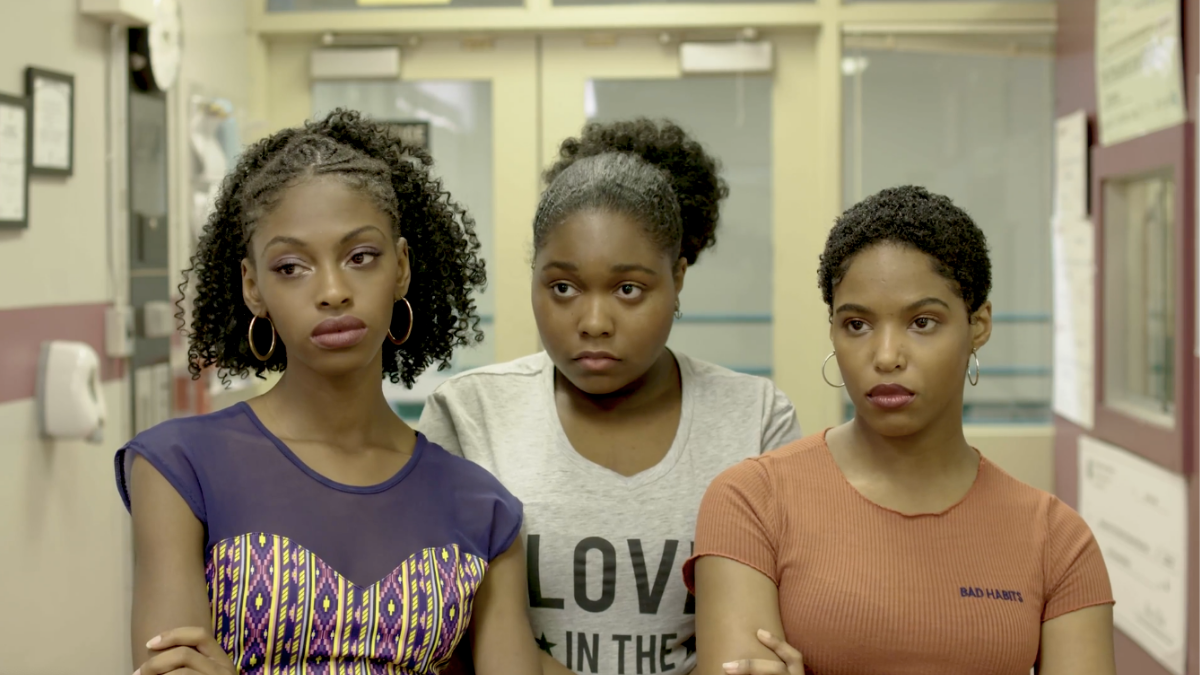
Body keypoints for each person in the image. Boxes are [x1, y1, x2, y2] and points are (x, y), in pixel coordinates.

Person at [114, 110, 542, 675]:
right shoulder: (178, 468)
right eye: (291, 267)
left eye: (360, 257)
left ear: (402, 268)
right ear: (253, 287)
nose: (333, 291)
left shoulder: (482, 508)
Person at [419, 119, 802, 675]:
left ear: (678, 279)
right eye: (563, 288)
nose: (593, 322)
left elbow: (758, 644)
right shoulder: (468, 414)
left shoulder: (756, 418)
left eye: (628, 289)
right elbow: (448, 644)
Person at [686, 186, 1116, 675]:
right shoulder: (750, 503)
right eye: (857, 325)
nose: (886, 355)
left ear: (978, 325)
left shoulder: (1057, 542)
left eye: (923, 321)